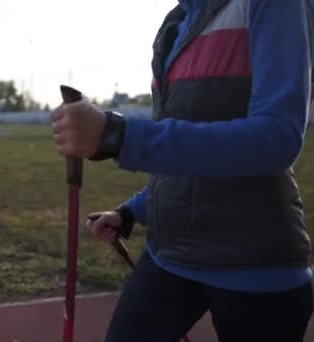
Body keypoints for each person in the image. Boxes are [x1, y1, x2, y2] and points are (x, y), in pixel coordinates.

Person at [51, 0, 314, 341]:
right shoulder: (176, 23)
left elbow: (277, 139)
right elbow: (186, 147)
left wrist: (116, 136)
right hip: (170, 255)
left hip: (254, 264)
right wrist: (132, 211)